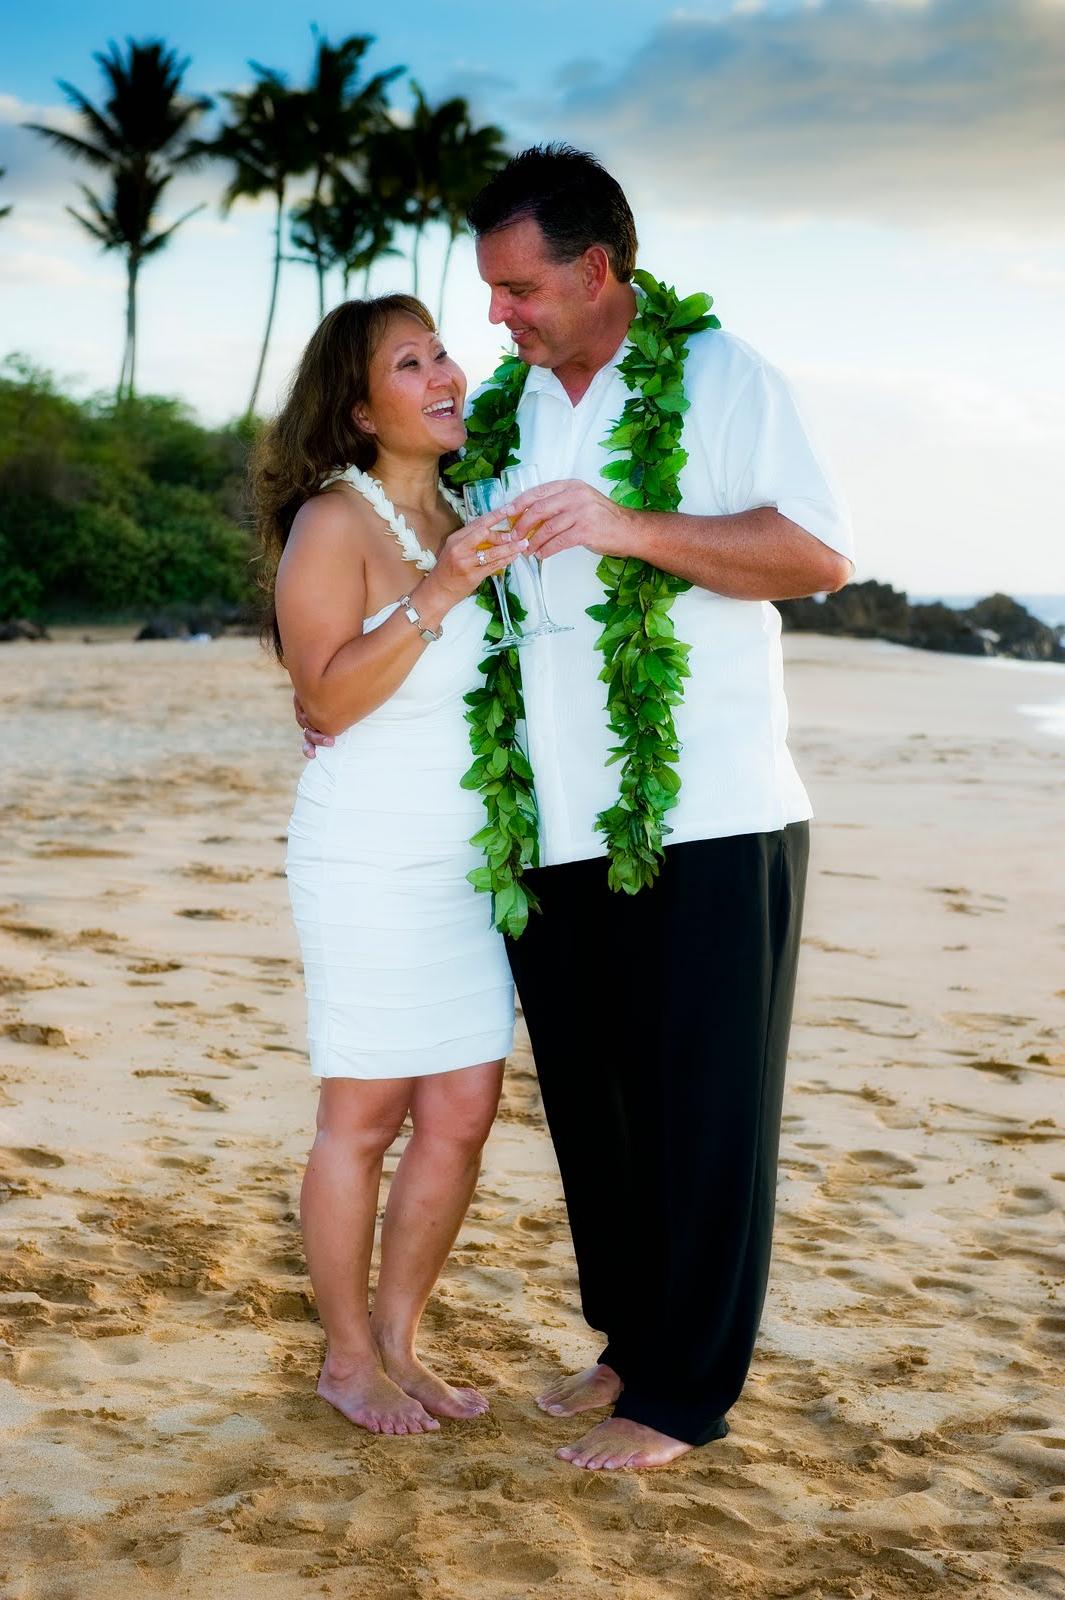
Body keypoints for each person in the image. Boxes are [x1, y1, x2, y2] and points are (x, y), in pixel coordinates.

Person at [303, 144, 854, 1472]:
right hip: (548, 824)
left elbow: (818, 554)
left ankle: (684, 1395)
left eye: (519, 288)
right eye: (488, 293)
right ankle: (629, 1343)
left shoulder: (721, 377)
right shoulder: (506, 412)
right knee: (600, 1114)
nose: (498, 316)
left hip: (710, 812)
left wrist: (632, 526)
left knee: (703, 1111)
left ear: (599, 269)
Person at [252, 294, 528, 1437]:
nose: (445, 372)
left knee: (463, 1106)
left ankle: (404, 1340)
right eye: (409, 363)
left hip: (465, 858)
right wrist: (444, 587)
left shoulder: (471, 507)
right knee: (362, 1114)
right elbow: (325, 693)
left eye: (443, 350)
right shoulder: (335, 521)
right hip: (368, 851)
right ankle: (347, 1355)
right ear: (362, 409)